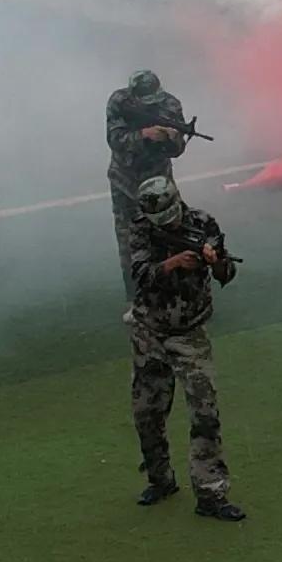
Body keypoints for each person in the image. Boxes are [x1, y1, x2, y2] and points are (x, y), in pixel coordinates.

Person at [125, 178, 245, 521]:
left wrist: (214, 260)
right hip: (149, 331)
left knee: (204, 413)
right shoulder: (141, 229)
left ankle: (211, 493)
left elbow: (227, 272)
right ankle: (159, 479)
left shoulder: (204, 223)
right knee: (147, 411)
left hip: (190, 332)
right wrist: (173, 263)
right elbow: (139, 273)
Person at [105, 70, 192, 298]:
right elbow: (115, 140)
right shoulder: (118, 101)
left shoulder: (170, 105)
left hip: (159, 181)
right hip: (125, 182)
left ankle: (180, 292)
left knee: (174, 233)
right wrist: (144, 134)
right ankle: (137, 299)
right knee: (128, 243)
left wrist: (172, 139)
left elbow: (178, 151)